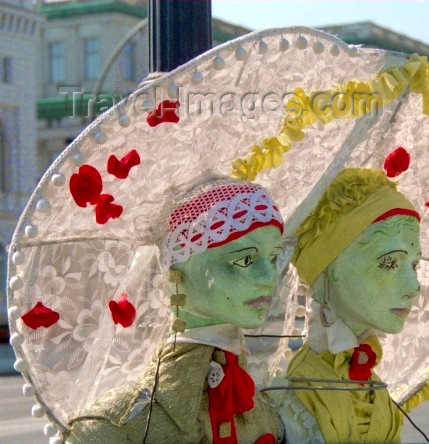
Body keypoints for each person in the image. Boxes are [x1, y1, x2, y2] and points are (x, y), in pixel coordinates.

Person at [66, 180, 285, 444]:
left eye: (273, 258)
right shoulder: (115, 428)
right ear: (176, 274)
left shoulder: (265, 411)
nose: (270, 275)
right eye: (245, 260)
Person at [278, 168, 421, 443]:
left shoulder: (372, 383)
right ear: (329, 266)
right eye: (390, 262)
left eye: (414, 264)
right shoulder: (294, 394)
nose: (415, 285)